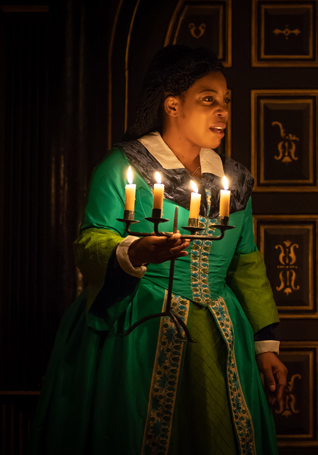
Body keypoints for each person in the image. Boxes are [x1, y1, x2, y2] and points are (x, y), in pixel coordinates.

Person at [30, 45, 285, 454]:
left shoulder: (234, 181)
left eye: (226, 102)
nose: (222, 111)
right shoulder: (123, 168)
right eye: (208, 100)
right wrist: (133, 252)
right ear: (172, 104)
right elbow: (91, 241)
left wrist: (265, 343)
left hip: (221, 331)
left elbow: (246, 261)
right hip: (136, 329)